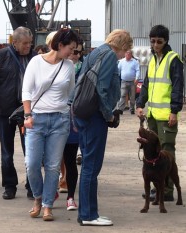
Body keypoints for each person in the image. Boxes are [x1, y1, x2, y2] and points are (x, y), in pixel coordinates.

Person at [74, 29, 133, 226]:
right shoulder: (109, 55)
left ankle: (86, 212)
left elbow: (80, 82)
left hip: (83, 114)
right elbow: (101, 89)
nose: (125, 53)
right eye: (126, 48)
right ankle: (89, 215)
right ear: (122, 45)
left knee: (88, 166)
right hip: (95, 117)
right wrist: (109, 115)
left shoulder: (95, 52)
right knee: (91, 166)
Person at [22, 28, 79, 221]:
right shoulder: (36, 62)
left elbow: (70, 93)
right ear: (60, 45)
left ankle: (47, 205)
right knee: (32, 164)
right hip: (36, 119)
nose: (72, 53)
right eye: (70, 48)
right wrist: (27, 115)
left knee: (54, 166)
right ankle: (38, 197)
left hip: (60, 120)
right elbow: (26, 91)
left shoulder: (68, 66)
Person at [0, 26, 36, 200]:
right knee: (7, 152)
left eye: (30, 43)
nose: (28, 46)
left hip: (26, 111)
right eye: (24, 43)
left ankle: (32, 185)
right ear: (15, 43)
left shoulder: (35, 57)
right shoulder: (2, 56)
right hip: (5, 110)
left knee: (30, 150)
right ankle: (9, 185)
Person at [136, 24, 184, 202]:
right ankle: (158, 188)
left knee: (167, 152)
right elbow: (147, 85)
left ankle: (168, 191)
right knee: (153, 154)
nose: (155, 45)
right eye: (153, 41)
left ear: (166, 41)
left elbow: (178, 87)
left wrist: (174, 111)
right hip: (153, 116)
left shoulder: (173, 59)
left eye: (159, 42)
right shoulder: (152, 60)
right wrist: (140, 104)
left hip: (167, 117)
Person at [61, 38, 84, 210]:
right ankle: (50, 191)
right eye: (73, 51)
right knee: (51, 161)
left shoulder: (83, 69)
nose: (75, 55)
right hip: (55, 118)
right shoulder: (56, 66)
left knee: (70, 159)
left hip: (72, 120)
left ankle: (70, 197)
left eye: (78, 52)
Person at [117, 50, 140, 114]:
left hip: (132, 82)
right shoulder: (121, 62)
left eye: (129, 53)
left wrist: (137, 78)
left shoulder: (135, 62)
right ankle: (120, 109)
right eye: (127, 53)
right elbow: (118, 70)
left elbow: (138, 70)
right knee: (122, 95)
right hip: (123, 81)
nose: (128, 54)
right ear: (125, 54)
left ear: (131, 54)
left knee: (132, 96)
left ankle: (132, 109)